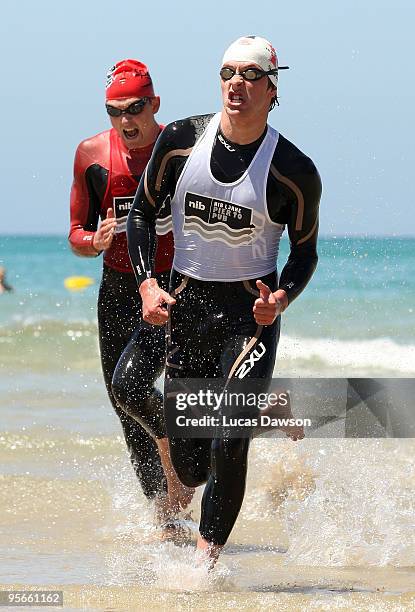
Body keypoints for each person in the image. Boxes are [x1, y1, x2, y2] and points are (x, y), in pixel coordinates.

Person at [127, 35, 322, 564]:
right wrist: (147, 282)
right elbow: (143, 213)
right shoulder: (180, 139)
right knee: (177, 449)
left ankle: (204, 562)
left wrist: (280, 297)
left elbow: (305, 254)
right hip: (185, 302)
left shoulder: (293, 171)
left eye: (251, 74)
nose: (237, 83)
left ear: (271, 87)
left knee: (229, 437)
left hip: (248, 316)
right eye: (228, 72)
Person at [68, 59, 190, 530]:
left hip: (172, 287)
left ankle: (182, 455)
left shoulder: (182, 148)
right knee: (124, 404)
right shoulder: (91, 154)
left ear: (154, 104)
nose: (126, 121)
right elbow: (75, 234)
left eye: (135, 109)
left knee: (132, 386)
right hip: (118, 288)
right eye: (115, 111)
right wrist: (92, 242)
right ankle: (166, 517)